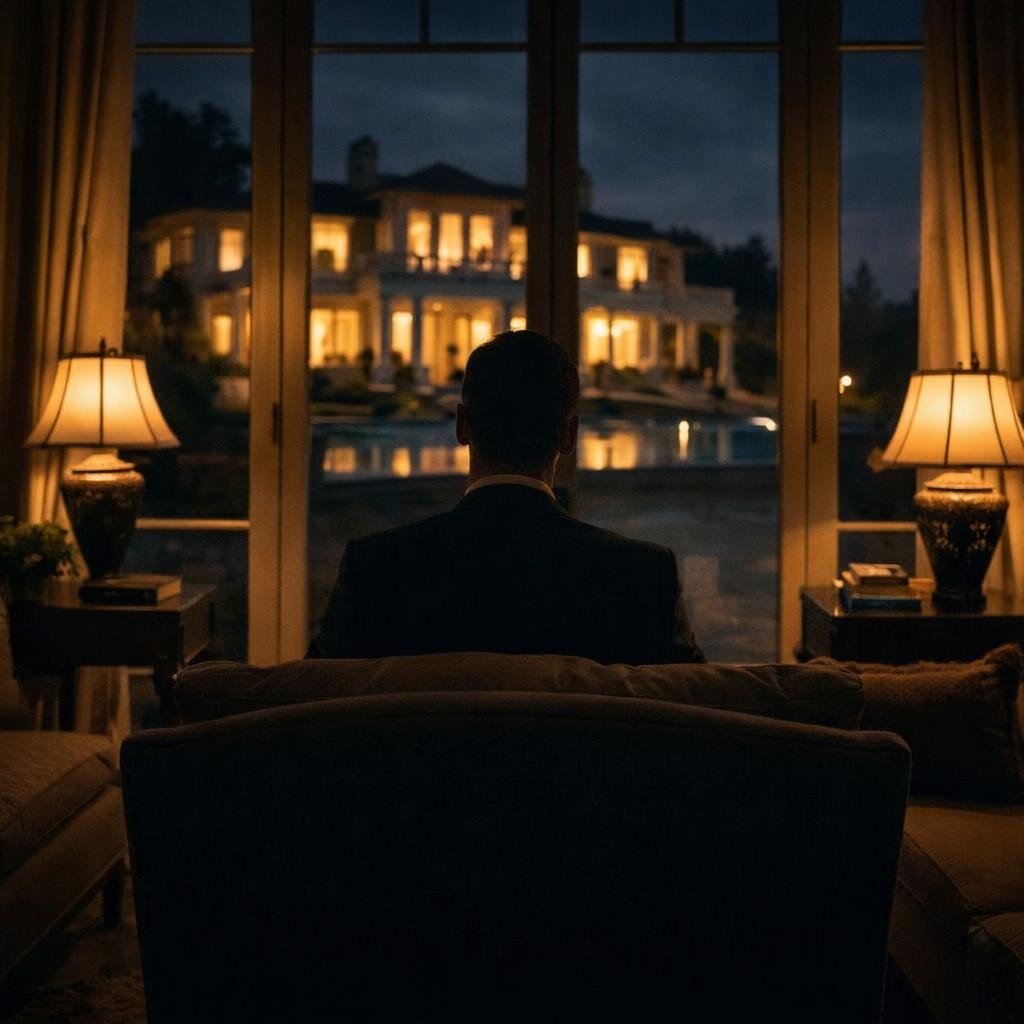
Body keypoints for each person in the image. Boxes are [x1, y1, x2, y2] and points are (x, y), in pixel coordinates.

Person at [308, 329, 704, 664]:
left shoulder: (378, 570)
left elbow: (308, 706)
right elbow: (695, 709)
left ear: (463, 425)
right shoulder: (641, 575)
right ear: (569, 436)